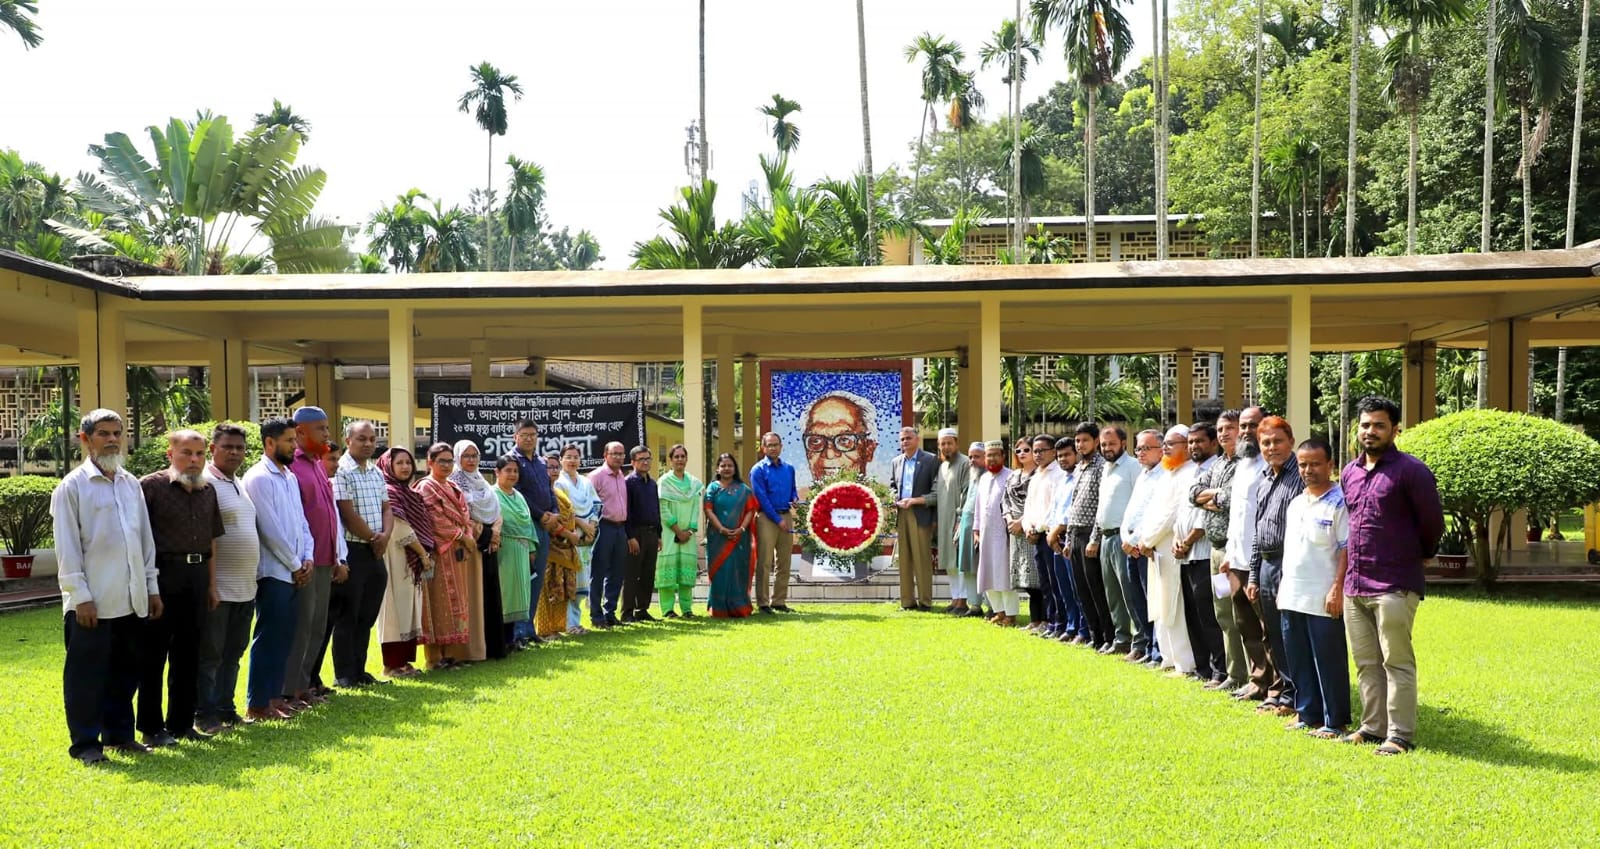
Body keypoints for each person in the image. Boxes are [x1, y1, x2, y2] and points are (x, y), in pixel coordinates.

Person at [53, 409, 160, 764]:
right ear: (85, 440)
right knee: (87, 677)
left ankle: (119, 735)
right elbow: (67, 549)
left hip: (131, 599)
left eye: (118, 432)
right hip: (92, 602)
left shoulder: (131, 483)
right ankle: (85, 744)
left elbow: (145, 542)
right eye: (103, 433)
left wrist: (152, 587)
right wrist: (80, 597)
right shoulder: (72, 487)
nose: (112, 439)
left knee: (126, 672)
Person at [1339, 395, 1443, 755]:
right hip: (1356, 583)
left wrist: (1422, 556)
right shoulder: (1349, 472)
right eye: (1365, 425)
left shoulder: (1412, 471)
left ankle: (1399, 735)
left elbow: (1432, 524)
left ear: (1396, 429)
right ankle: (1371, 728)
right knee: (1366, 663)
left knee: (1396, 661)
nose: (1371, 431)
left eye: (1379, 425)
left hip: (1394, 584)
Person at [136, 429, 224, 747]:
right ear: (170, 455)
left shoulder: (208, 490)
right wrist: (148, 587)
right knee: (153, 654)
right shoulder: (150, 487)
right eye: (186, 453)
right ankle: (150, 727)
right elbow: (136, 540)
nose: (194, 460)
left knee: (189, 654)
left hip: (198, 576)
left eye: (200, 454)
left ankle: (182, 724)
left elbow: (212, 540)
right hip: (162, 574)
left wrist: (212, 585)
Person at [1279, 438, 1353, 739]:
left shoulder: (1340, 502)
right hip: (1292, 593)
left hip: (1323, 595)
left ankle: (1334, 721)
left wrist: (1337, 588)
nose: (1308, 470)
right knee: (1298, 657)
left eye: (1315, 463)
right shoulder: (1297, 502)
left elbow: (1347, 549)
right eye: (1303, 464)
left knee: (1329, 659)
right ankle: (1307, 713)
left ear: (1330, 465)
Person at [242, 418, 314, 722]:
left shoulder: (288, 477)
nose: (293, 446)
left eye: (294, 440)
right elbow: (269, 530)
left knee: (284, 637)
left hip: (296, 569)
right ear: (269, 443)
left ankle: (274, 698)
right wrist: (296, 564)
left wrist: (307, 556)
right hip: (274, 572)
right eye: (287, 441)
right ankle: (257, 703)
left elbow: (301, 523)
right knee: (269, 637)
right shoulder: (259, 478)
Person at [195, 423, 258, 734]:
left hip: (246, 586)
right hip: (218, 587)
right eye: (228, 447)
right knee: (210, 655)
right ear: (213, 449)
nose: (235, 452)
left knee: (233, 652)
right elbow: (207, 539)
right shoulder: (205, 484)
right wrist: (211, 585)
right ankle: (204, 714)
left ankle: (225, 707)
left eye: (240, 448)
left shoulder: (239, 484)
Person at [283, 406, 347, 708]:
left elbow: (329, 514)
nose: (327, 434)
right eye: (321, 429)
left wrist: (337, 555)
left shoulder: (318, 464)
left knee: (318, 626)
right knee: (301, 626)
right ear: (300, 432)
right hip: (305, 561)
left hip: (325, 559)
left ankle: (304, 684)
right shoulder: (292, 467)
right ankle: (290, 689)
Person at [1247, 416, 1305, 718]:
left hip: (1291, 563)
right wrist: (1254, 575)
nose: (1272, 447)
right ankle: (1285, 691)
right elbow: (1258, 532)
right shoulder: (1264, 479)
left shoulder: (1301, 476)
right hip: (1267, 564)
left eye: (1278, 441)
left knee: (1292, 632)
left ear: (1291, 441)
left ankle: (1299, 695)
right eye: (1266, 443)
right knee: (1273, 634)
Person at [1218, 406, 1276, 702]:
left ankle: (1277, 687)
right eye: (1242, 425)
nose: (1245, 431)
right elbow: (1236, 516)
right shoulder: (1242, 464)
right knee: (1245, 625)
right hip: (1237, 559)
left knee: (1267, 628)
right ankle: (1258, 681)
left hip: (1261, 562)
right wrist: (1229, 553)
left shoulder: (1271, 464)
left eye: (1252, 425)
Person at [331, 421, 394, 686]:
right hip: (354, 549)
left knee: (367, 613)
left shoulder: (376, 472)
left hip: (376, 550)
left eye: (372, 439)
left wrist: (385, 536)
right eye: (362, 439)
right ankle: (344, 674)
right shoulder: (341, 471)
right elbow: (346, 512)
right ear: (348, 441)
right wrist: (372, 537)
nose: (368, 443)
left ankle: (360, 669)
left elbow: (387, 508)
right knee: (349, 614)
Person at [1191, 410, 1248, 692]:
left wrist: (1211, 497)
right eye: (1221, 428)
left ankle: (1249, 676)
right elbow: (1194, 494)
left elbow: (1232, 498)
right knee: (1223, 614)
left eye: (1230, 428)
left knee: (1242, 615)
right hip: (1216, 551)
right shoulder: (1217, 464)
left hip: (1233, 551)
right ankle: (1234, 673)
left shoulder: (1246, 463)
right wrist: (1215, 496)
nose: (1225, 432)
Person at [1134, 425, 1197, 677]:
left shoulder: (1190, 472)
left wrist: (1148, 539)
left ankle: (1185, 662)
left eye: (1173, 443)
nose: (1167, 448)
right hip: (1154, 549)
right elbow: (1152, 512)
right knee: (1159, 605)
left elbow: (1173, 516)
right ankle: (1168, 657)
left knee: (1174, 605)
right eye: (1166, 443)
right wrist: (1145, 540)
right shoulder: (1168, 473)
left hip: (1171, 548)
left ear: (1187, 446)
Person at [416, 443, 478, 668]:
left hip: (458, 553)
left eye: (450, 460)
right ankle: (434, 658)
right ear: (429, 463)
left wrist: (468, 535)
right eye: (441, 460)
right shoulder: (426, 487)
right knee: (438, 603)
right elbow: (435, 519)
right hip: (439, 553)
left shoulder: (453, 486)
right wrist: (463, 535)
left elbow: (465, 515)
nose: (446, 465)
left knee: (457, 603)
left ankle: (451, 654)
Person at [1176, 422, 1228, 684]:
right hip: (1186, 554)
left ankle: (1220, 670)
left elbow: (1208, 512)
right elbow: (1190, 503)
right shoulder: (1192, 472)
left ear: (1213, 443)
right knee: (1193, 614)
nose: (1194, 446)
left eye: (1200, 441)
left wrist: (1186, 540)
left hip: (1207, 553)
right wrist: (1179, 541)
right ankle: (1203, 668)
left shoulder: (1218, 470)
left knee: (1211, 614)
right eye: (1191, 442)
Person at [375, 447, 432, 676]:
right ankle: (391, 664)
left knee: (408, 609)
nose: (406, 467)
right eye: (399, 463)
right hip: (396, 557)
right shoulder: (388, 491)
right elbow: (400, 530)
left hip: (409, 562)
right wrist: (421, 553)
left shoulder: (408, 492)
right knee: (393, 610)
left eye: (408, 462)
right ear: (389, 465)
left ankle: (404, 662)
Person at [451, 440, 506, 660]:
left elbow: (496, 510)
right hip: (470, 546)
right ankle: (474, 650)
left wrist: (496, 534)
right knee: (474, 596)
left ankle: (493, 647)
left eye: (474, 456)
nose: (471, 460)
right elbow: (462, 517)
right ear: (457, 458)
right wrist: (487, 534)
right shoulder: (455, 482)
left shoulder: (481, 481)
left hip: (489, 545)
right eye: (466, 456)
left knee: (490, 594)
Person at [1065, 423, 1116, 652]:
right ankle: (1095, 637)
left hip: (1090, 535)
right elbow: (1074, 503)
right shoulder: (1079, 467)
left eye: (1084, 440)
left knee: (1097, 589)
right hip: (1075, 532)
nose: (1080, 445)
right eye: (1077, 441)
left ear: (1095, 442)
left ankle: (1109, 636)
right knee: (1082, 590)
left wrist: (1095, 538)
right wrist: (1068, 539)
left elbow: (1101, 506)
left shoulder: (1101, 467)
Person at [1118, 429, 1166, 664]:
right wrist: (1124, 539)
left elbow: (1154, 514)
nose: (1141, 453)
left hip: (1147, 548)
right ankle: (1147, 646)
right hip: (1131, 547)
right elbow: (1130, 512)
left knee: (1152, 601)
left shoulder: (1164, 475)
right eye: (1138, 448)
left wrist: (1137, 540)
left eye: (1146, 448)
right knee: (1137, 600)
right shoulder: (1142, 475)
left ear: (1161, 449)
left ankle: (1157, 652)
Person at [1093, 425, 1140, 658]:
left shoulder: (1133, 467)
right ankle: (1122, 638)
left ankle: (1140, 641)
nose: (1107, 448)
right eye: (1103, 444)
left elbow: (1140, 504)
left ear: (1124, 443)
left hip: (1124, 539)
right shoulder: (1106, 469)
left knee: (1129, 592)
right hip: (1105, 537)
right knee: (1112, 593)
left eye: (1111, 444)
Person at [510, 420, 557, 644]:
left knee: (537, 579)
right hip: (525, 527)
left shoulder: (540, 462)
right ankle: (518, 632)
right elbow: (517, 494)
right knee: (523, 578)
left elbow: (549, 490)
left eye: (533, 434)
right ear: (515, 436)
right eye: (524, 434)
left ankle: (529, 629)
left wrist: (554, 512)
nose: (529, 438)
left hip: (545, 527)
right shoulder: (512, 461)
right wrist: (541, 515)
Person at [891, 427, 939, 611]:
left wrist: (915, 501)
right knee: (904, 560)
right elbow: (892, 485)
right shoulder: (896, 461)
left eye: (908, 438)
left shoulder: (930, 460)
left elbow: (936, 492)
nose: (905, 442)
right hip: (902, 513)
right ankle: (907, 602)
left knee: (922, 559)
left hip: (920, 513)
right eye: (902, 439)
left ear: (917, 439)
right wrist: (894, 496)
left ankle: (925, 602)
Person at [750, 432, 798, 614]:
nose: (773, 448)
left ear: (781, 446)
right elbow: (761, 498)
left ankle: (779, 600)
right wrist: (777, 521)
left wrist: (794, 498)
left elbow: (793, 489)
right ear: (763, 448)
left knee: (784, 561)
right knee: (764, 561)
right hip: (766, 518)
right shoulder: (758, 470)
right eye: (769, 445)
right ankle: (763, 602)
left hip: (786, 515)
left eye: (776, 444)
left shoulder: (789, 468)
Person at [705, 452, 758, 618]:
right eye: (723, 466)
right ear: (717, 469)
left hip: (739, 539)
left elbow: (751, 510)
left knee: (737, 571)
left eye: (730, 466)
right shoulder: (712, 488)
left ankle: (738, 607)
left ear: (735, 469)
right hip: (717, 538)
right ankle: (719, 608)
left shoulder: (744, 490)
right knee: (720, 571)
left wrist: (742, 529)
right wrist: (721, 528)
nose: (726, 468)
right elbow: (708, 510)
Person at [538, 455, 585, 637]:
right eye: (549, 467)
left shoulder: (558, 492)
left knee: (562, 589)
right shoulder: (542, 494)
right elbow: (548, 520)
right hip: (551, 547)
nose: (554, 471)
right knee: (547, 588)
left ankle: (557, 627)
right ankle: (544, 629)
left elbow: (569, 517)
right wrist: (568, 535)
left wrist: (572, 536)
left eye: (556, 467)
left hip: (566, 547)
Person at [555, 445, 600, 633]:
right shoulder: (559, 483)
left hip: (586, 540)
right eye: (568, 457)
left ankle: (576, 622)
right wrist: (582, 525)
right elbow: (565, 510)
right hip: (570, 538)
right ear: (561, 460)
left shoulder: (586, 482)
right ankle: (569, 624)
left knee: (582, 583)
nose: (572, 461)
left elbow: (596, 504)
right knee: (569, 582)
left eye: (575, 457)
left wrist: (592, 527)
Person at [493, 456, 536, 647]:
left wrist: (532, 548)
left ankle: (513, 638)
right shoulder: (492, 494)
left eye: (515, 471)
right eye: (508, 470)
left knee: (519, 596)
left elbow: (528, 523)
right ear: (497, 472)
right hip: (504, 550)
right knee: (504, 595)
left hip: (522, 550)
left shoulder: (519, 496)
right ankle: (501, 640)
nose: (512, 474)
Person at [1021, 434, 1063, 631]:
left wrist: (1038, 528)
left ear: (1053, 452)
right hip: (1035, 536)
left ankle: (1057, 623)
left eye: (1041, 451)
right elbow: (1029, 506)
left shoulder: (1058, 474)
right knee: (1044, 582)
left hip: (1050, 535)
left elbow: (1054, 507)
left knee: (1056, 583)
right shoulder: (1036, 475)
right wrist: (1028, 526)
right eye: (1034, 451)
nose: (1037, 455)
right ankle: (1047, 622)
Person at [656, 445, 703, 618]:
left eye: (683, 456)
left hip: (687, 536)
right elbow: (663, 509)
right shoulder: (664, 482)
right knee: (668, 572)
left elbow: (695, 509)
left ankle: (687, 608)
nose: (680, 459)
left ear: (687, 459)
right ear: (670, 460)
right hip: (669, 533)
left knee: (686, 573)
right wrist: (677, 530)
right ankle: (668, 609)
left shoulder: (694, 483)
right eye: (676, 456)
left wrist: (689, 531)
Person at [973, 441, 1016, 626]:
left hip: (1004, 535)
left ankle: (1011, 614)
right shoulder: (983, 478)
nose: (991, 459)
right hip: (985, 534)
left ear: (1003, 456)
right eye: (988, 455)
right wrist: (976, 529)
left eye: (995, 455)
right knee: (988, 573)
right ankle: (998, 611)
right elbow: (978, 507)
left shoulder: (1011, 476)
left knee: (1004, 574)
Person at [930, 429, 973, 614]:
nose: (946, 447)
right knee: (949, 562)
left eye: (949, 443)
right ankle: (955, 599)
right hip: (944, 520)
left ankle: (963, 601)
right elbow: (936, 494)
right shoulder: (942, 466)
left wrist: (960, 518)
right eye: (943, 444)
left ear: (956, 443)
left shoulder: (965, 463)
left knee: (958, 561)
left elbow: (967, 492)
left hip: (958, 520)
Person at [587, 441, 630, 628]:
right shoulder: (596, 476)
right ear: (605, 455)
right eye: (615, 454)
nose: (619, 457)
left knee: (617, 572)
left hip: (621, 528)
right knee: (599, 570)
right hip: (603, 527)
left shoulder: (622, 475)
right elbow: (588, 504)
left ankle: (610, 612)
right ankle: (596, 616)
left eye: (621, 454)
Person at [1043, 437, 1082, 640]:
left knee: (1077, 589)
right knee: (1063, 588)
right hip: (1056, 539)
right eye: (1059, 456)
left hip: (1071, 536)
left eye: (1067, 454)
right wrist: (1052, 533)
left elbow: (1073, 511)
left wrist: (1056, 532)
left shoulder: (1080, 477)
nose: (1063, 459)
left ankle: (1083, 630)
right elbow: (1055, 510)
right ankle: (1070, 626)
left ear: (1076, 454)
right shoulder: (1061, 480)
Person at [800, 390, 879, 483]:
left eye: (844, 440)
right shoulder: (800, 495)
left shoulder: (883, 496)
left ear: (868, 449)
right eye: (816, 441)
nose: (829, 454)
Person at [623, 445, 662, 622]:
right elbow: (627, 512)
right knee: (632, 573)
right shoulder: (628, 482)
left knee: (648, 573)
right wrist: (630, 536)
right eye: (641, 459)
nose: (645, 462)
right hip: (636, 533)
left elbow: (656, 509)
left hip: (652, 533)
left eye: (648, 459)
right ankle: (627, 612)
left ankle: (643, 609)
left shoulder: (653, 483)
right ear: (633, 462)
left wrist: (659, 534)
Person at [949, 442, 987, 617]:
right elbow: (964, 503)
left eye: (977, 456)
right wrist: (959, 523)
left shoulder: (991, 477)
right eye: (970, 456)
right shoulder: (972, 476)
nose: (972, 460)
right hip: (966, 524)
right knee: (968, 567)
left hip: (983, 528)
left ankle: (994, 606)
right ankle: (975, 606)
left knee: (984, 567)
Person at [1002, 438, 1037, 627]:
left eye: (1026, 449)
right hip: (1014, 532)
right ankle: (1036, 619)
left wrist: (1021, 522)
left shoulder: (1039, 475)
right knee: (1023, 579)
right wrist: (1009, 520)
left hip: (1031, 529)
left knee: (1037, 579)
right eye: (1018, 450)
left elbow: (1037, 503)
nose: (1022, 453)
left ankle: (1042, 619)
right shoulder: (1013, 476)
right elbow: (1005, 500)